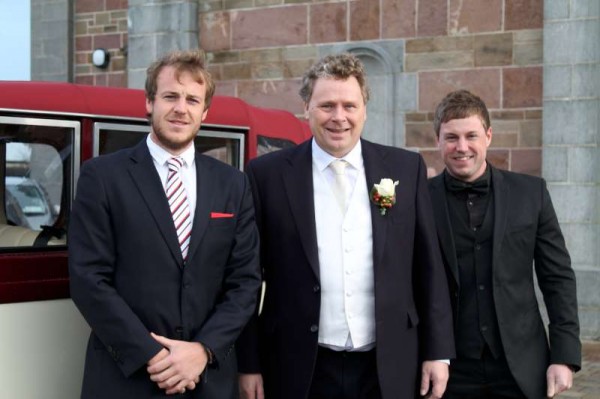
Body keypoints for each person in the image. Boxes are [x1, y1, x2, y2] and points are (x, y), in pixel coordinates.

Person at [236, 53, 455, 399]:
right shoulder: (267, 175)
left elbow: (428, 267)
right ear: (306, 108)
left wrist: (438, 352)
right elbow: (246, 276)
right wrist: (248, 363)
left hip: (389, 362)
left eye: (349, 106)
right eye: (327, 106)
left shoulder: (403, 168)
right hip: (299, 364)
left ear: (364, 110)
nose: (339, 117)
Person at [69, 49, 261, 398]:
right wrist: (156, 357)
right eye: (170, 96)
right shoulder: (102, 176)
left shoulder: (233, 184)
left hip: (208, 379)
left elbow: (245, 284)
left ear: (205, 112)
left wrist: (202, 351)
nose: (180, 108)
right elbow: (88, 280)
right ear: (149, 103)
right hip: (126, 378)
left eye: (192, 99)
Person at [428, 90, 581, 398]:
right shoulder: (420, 199)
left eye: (471, 135)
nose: (462, 147)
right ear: (437, 141)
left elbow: (557, 278)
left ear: (488, 135)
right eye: (451, 138)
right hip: (448, 368)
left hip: (522, 365)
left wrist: (564, 356)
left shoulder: (531, 193)